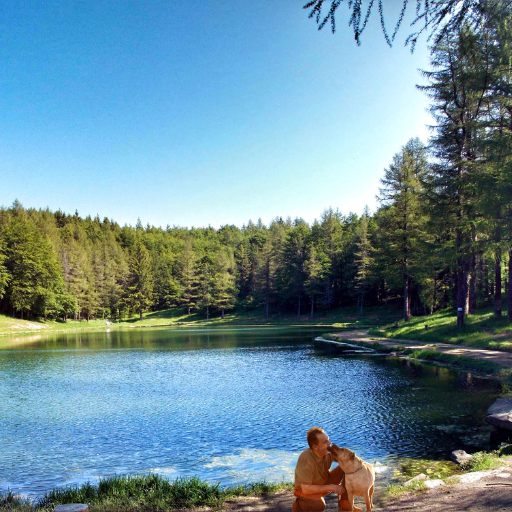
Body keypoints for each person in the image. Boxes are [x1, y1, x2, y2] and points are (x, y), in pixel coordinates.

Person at [292, 427, 362, 512]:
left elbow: (348, 459)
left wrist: (361, 464)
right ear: (315, 447)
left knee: (347, 466)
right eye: (325, 442)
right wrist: (332, 487)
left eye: (328, 440)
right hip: (305, 492)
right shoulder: (306, 459)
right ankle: (299, 506)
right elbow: (306, 489)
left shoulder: (327, 452)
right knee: (319, 505)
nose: (330, 443)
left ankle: (345, 505)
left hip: (323, 483)